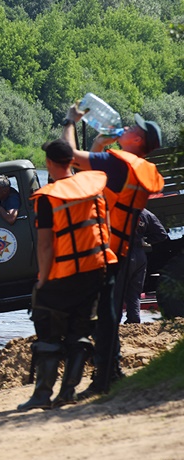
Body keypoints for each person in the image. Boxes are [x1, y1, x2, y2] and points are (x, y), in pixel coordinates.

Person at [62, 108, 164, 395]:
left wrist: (70, 121)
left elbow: (68, 154)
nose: (128, 127)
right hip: (117, 250)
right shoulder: (134, 167)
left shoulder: (119, 165)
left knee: (101, 318)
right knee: (106, 316)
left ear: (136, 139)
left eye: (133, 128)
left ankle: (104, 379)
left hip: (105, 251)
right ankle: (111, 373)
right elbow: (89, 172)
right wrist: (100, 142)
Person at [18, 140, 116, 411]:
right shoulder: (94, 186)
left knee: (48, 332)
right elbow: (104, 225)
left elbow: (45, 244)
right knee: (80, 332)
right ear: (72, 161)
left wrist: (43, 279)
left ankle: (42, 395)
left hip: (63, 275)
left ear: (49, 163)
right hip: (96, 270)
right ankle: (68, 392)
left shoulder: (49, 197)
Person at [120, 208, 168, 324]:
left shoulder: (118, 208)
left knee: (117, 290)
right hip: (140, 255)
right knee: (134, 291)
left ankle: (112, 323)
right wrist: (144, 240)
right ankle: (134, 320)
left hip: (123, 253)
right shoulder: (146, 213)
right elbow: (162, 234)